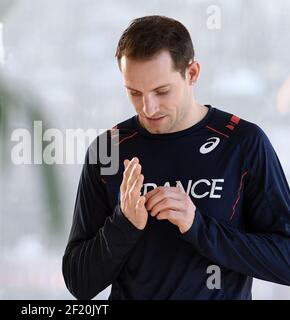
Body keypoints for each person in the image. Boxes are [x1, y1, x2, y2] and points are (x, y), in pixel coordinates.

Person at [62, 15, 290, 299]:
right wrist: (124, 224)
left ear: (192, 73)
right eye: (134, 92)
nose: (148, 107)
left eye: (162, 91)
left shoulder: (243, 143)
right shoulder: (108, 149)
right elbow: (79, 283)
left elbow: (286, 260)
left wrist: (197, 226)